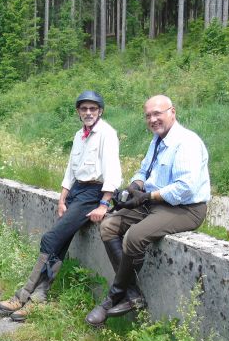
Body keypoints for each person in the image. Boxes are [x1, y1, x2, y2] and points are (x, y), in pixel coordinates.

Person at [85, 94, 210, 327]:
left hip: (185, 208)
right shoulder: (157, 140)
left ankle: (112, 297)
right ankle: (132, 295)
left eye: (157, 113)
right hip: (155, 203)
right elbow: (144, 171)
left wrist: (148, 196)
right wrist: (134, 187)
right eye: (148, 115)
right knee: (109, 225)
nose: (153, 119)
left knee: (134, 237)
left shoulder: (186, 142)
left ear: (172, 112)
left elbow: (185, 188)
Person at [0, 90, 122, 322]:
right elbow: (70, 170)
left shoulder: (107, 134)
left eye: (92, 109)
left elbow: (113, 172)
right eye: (83, 109)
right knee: (59, 244)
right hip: (77, 192)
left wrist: (104, 204)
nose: (88, 112)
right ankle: (39, 299)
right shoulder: (79, 135)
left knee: (50, 239)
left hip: (93, 193)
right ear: (78, 112)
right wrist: (62, 198)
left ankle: (22, 295)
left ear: (100, 111)